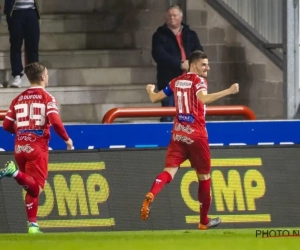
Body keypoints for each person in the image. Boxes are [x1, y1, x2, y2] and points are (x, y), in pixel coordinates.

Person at [140, 50, 239, 230]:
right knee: (204, 177)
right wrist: (229, 91)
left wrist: (150, 90)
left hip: (178, 134)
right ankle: (203, 221)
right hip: (197, 136)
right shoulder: (199, 81)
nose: (207, 68)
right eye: (204, 64)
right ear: (193, 66)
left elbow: (154, 98)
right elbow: (203, 98)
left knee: (169, 171)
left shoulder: (176, 81)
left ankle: (152, 193)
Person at [0, 62, 73, 234]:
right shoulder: (47, 98)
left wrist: (21, 130)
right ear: (42, 77)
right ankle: (14, 173)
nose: (47, 77)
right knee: (37, 187)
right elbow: (55, 121)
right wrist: (67, 139)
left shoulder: (17, 99)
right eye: (46, 74)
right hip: (37, 147)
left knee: (30, 187)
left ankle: (32, 226)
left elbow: (6, 125)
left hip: (19, 147)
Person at [152, 5, 203, 122]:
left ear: (181, 17)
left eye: (174, 15)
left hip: (190, 82)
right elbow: (159, 55)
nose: (172, 18)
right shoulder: (159, 35)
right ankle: (168, 139)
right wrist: (180, 64)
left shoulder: (191, 34)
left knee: (191, 116)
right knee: (169, 115)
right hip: (168, 82)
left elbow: (199, 52)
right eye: (169, 15)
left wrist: (190, 64)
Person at [4, 0, 40, 88]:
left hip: (32, 11)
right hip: (15, 11)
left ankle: (34, 76)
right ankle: (17, 75)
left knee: (32, 46)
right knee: (16, 45)